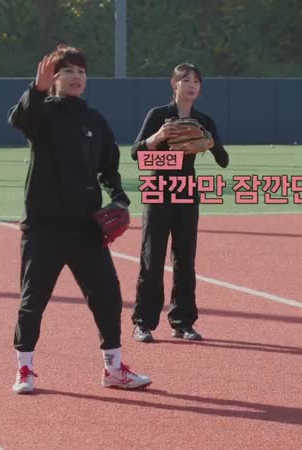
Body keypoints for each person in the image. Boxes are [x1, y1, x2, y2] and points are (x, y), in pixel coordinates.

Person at [7, 44, 151, 394]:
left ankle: (113, 368)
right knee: (33, 299)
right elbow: (19, 120)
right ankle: (25, 368)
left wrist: (119, 199)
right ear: (54, 78)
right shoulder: (41, 113)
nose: (77, 77)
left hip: (86, 227)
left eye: (81, 71)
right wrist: (36, 90)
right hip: (44, 226)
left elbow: (109, 169)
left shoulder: (94, 120)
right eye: (69, 70)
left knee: (108, 296)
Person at [130, 63, 230, 343]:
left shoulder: (204, 120)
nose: (191, 85)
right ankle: (143, 323)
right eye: (185, 80)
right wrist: (158, 137)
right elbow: (136, 155)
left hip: (186, 189)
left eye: (196, 81)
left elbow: (223, 161)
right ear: (174, 84)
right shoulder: (158, 115)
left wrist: (209, 142)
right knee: (152, 258)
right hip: (158, 188)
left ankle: (183, 321)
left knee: (185, 259)